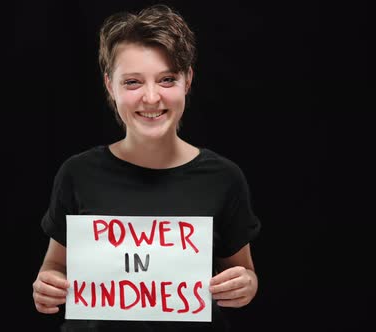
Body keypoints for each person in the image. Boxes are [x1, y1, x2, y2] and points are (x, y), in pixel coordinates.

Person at [33, 4, 261, 331]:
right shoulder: (78, 174)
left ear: (188, 80)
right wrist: (48, 284)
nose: (151, 97)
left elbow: (245, 272)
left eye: (167, 79)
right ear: (110, 85)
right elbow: (54, 265)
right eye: (133, 82)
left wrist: (245, 286)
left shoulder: (223, 178)